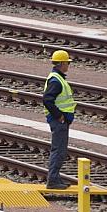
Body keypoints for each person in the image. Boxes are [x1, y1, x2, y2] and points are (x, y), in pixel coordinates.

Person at [42, 50, 76, 190]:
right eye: (67, 63)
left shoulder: (57, 77)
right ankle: (53, 180)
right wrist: (59, 116)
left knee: (60, 150)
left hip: (61, 120)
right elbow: (47, 100)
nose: (68, 65)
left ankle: (55, 178)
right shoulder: (56, 80)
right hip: (59, 121)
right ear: (62, 63)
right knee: (59, 150)